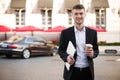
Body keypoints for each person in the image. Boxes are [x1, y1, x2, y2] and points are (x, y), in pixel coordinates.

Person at [58, 4, 99, 80]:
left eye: (81, 13)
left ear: (85, 15)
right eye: (76, 14)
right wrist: (67, 57)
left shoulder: (92, 33)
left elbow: (96, 50)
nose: (79, 16)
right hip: (72, 72)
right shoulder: (65, 33)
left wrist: (93, 53)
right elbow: (60, 50)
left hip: (88, 72)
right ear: (72, 15)